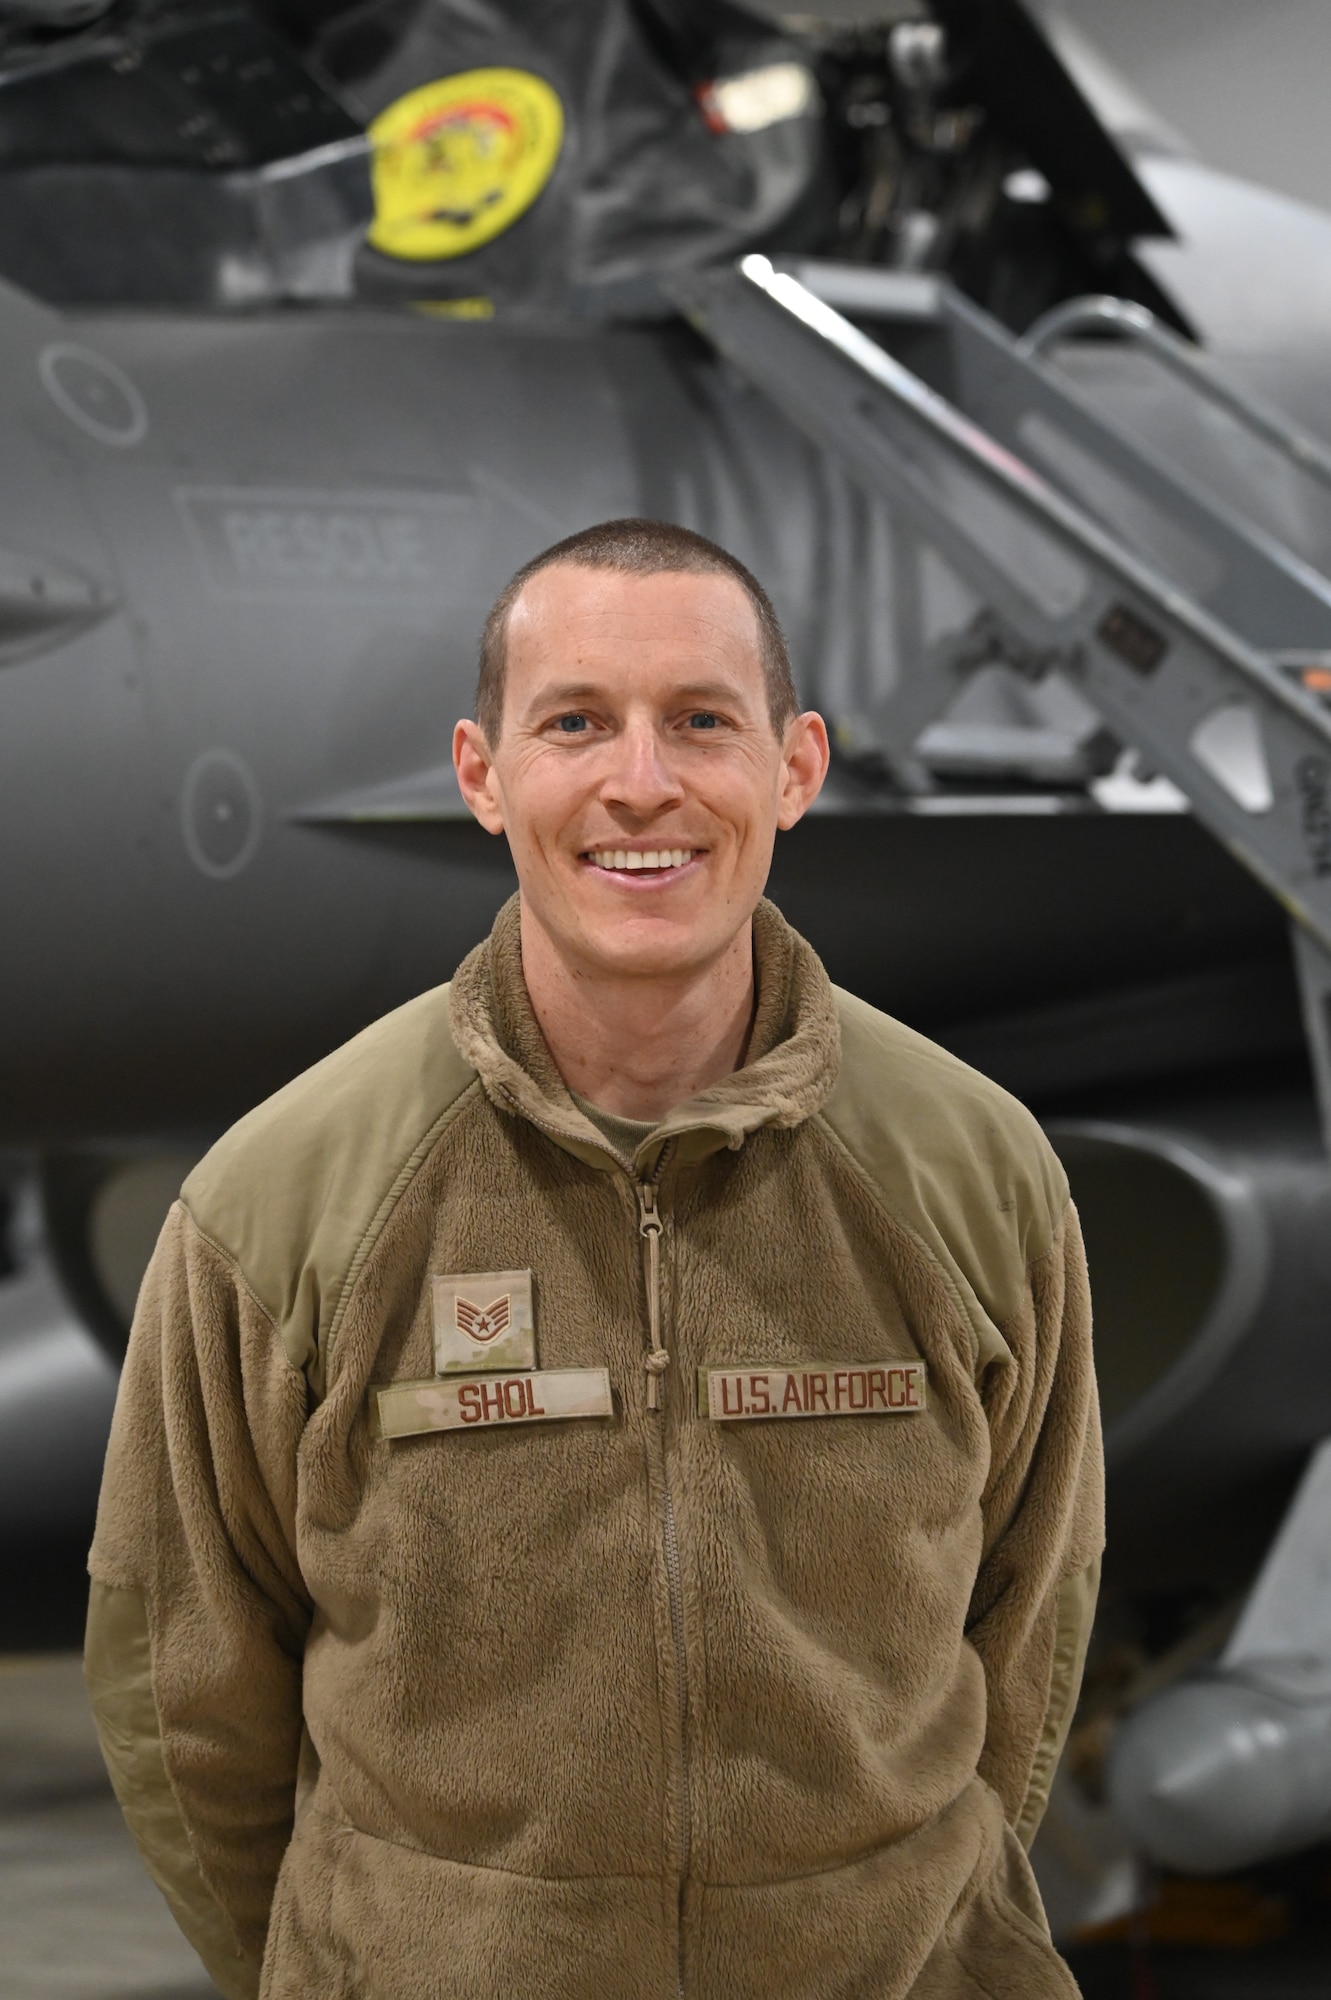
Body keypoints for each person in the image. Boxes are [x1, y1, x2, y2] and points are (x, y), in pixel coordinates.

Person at [86, 517, 1102, 2000]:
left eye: (702, 721)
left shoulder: (973, 1172)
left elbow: (1031, 1616)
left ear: (796, 767)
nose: (643, 782)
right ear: (483, 775)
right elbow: (185, 1688)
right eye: (576, 723)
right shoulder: (287, 1200)